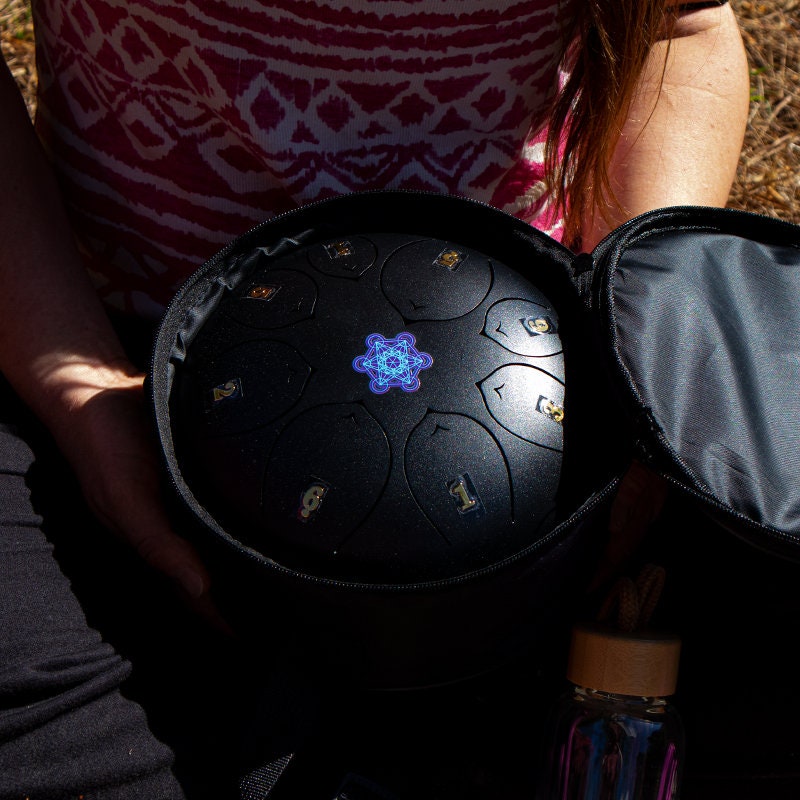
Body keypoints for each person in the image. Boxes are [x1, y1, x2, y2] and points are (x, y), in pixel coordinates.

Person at [0, 1, 751, 798]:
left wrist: (632, 372)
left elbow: (679, 28)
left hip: (543, 389)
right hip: (87, 342)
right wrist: (78, 389)